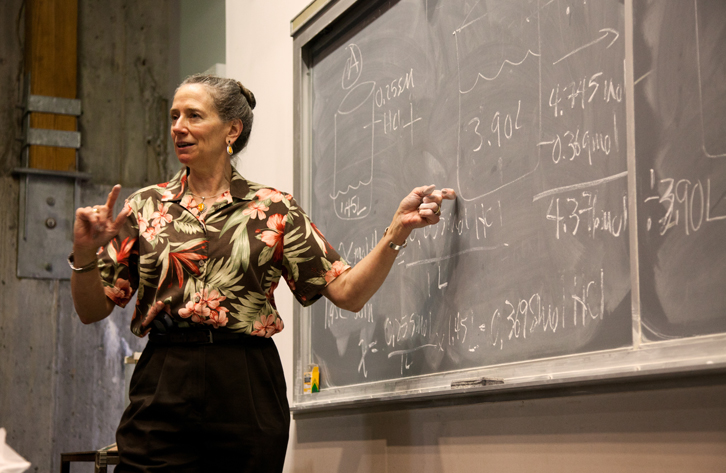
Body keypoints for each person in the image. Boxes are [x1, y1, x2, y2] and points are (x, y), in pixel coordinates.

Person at [70, 74, 456, 472]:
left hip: (246, 382)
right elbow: (91, 309)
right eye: (174, 116)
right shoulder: (145, 206)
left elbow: (348, 294)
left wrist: (397, 230)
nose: (178, 128)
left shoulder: (273, 208)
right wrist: (84, 251)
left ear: (231, 130)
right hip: (165, 376)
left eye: (193, 116)